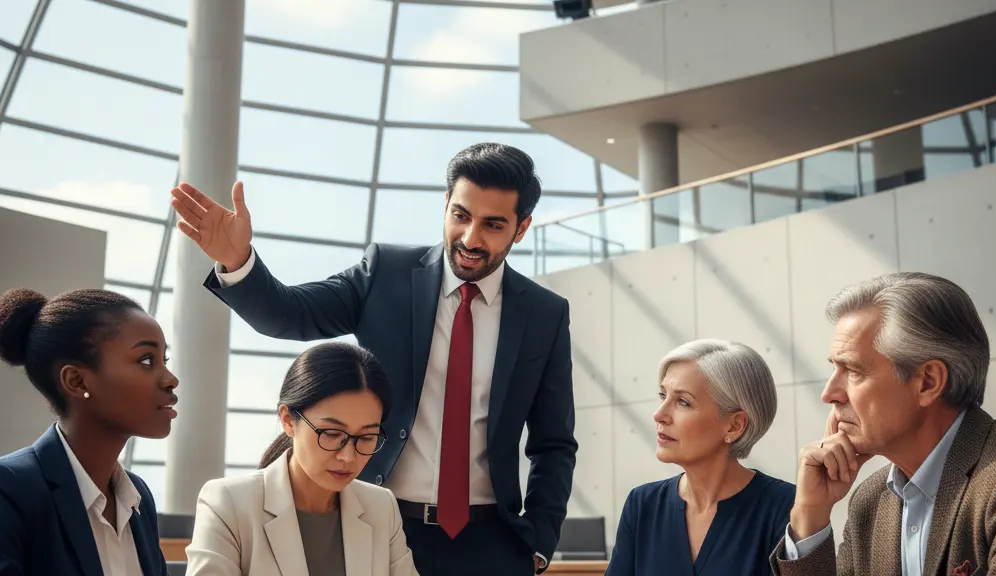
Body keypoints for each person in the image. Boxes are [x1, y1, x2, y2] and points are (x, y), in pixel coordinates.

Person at [171, 142, 577, 576]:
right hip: (382, 529)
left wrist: (536, 542)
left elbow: (553, 443)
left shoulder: (544, 315)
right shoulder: (386, 273)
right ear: (446, 204)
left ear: (522, 227)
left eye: (493, 225)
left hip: (491, 544)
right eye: (461, 216)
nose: (471, 238)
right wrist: (238, 262)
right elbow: (291, 313)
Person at [771, 272, 996, 576]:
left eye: (852, 371)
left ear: (928, 382)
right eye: (834, 369)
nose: (829, 394)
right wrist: (810, 514)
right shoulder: (869, 501)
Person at [185, 342, 417, 576]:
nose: (348, 456)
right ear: (287, 420)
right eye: (331, 434)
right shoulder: (229, 504)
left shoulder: (380, 507)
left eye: (367, 437)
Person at [0, 288, 176, 576]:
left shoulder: (138, 497)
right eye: (147, 360)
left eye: (163, 361)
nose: (171, 379)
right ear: (77, 381)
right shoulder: (10, 491)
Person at [606, 339, 796, 576]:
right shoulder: (642, 504)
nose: (659, 414)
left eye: (683, 402)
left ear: (734, 426)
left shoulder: (786, 506)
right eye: (662, 395)